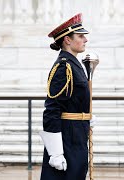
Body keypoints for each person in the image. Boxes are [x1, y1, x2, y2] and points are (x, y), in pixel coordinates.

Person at [39, 13, 96, 180]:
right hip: (67, 140)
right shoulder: (63, 67)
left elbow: (74, 99)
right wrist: (55, 153)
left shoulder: (74, 64)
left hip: (77, 134)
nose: (85, 40)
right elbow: (52, 110)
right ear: (67, 40)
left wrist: (85, 115)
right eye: (80, 36)